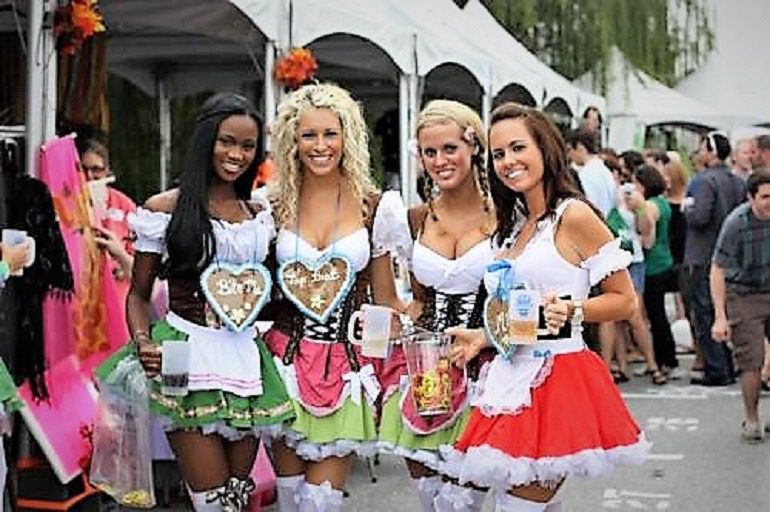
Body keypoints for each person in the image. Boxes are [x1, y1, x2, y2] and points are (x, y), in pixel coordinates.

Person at [442, 103, 648, 511]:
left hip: (557, 379)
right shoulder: (516, 224)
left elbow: (626, 300)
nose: (508, 161)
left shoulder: (573, 215)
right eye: (498, 154)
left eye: (518, 147)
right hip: (509, 376)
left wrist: (573, 310)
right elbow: (522, 312)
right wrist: (482, 338)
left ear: (545, 147)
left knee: (517, 506)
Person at [107, 93, 295, 511]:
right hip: (184, 354)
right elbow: (138, 294)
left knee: (236, 497)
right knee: (211, 501)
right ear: (206, 139)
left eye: (247, 146)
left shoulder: (259, 213)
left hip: (246, 358)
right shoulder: (166, 209)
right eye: (227, 141)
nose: (237, 154)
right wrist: (143, 342)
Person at [263, 83, 407, 512]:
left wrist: (392, 349)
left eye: (331, 134)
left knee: (320, 504)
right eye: (309, 135)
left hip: (345, 369)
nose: (320, 146)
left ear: (348, 138)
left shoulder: (374, 207)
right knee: (289, 500)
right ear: (292, 139)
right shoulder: (271, 207)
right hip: (283, 363)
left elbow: (386, 302)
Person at [376, 100, 495, 512]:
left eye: (449, 149)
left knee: (463, 501)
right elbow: (420, 299)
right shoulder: (413, 219)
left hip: (487, 368)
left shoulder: (506, 214)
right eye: (430, 152)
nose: (440, 161)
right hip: (425, 369)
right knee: (431, 500)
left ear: (474, 146)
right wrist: (393, 320)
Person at [710, 170, 770, 442]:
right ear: (751, 197)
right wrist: (720, 316)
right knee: (751, 359)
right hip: (745, 293)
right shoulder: (737, 222)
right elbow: (718, 269)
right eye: (765, 197)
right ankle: (752, 416)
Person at [684, 132, 746, 386]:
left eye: (702, 149)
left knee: (706, 312)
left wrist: (687, 208)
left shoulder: (704, 181)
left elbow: (699, 216)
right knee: (725, 311)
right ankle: (729, 365)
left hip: (705, 253)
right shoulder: (737, 181)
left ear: (710, 152)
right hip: (732, 254)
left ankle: (717, 368)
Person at [627, 165, 679, 376]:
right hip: (665, 260)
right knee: (658, 315)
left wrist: (640, 210)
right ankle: (665, 358)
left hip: (654, 265)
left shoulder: (649, 206)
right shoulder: (663, 202)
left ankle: (666, 359)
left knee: (656, 315)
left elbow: (649, 237)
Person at [79, 139, 137, 285]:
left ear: (107, 171)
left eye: (96, 169)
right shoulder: (66, 206)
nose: (89, 176)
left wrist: (122, 261)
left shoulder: (125, 205)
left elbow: (142, 267)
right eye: (83, 169)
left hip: (117, 297)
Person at [565, 129, 616, 218]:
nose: (569, 155)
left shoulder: (586, 175)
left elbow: (587, 207)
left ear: (580, 147)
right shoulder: (605, 171)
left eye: (569, 149)